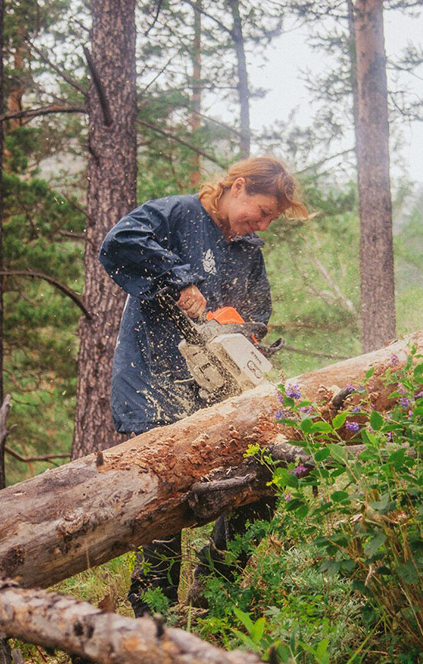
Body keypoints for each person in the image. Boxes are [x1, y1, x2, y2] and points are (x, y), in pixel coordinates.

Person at [99, 156, 308, 616]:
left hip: (215, 388)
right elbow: (119, 242)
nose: (264, 223)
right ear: (237, 187)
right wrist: (179, 280)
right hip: (153, 380)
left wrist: (244, 330)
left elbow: (258, 307)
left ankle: (214, 593)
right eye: (263, 210)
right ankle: (153, 616)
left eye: (271, 217)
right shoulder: (175, 215)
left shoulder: (248, 250)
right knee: (163, 497)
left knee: (260, 477)